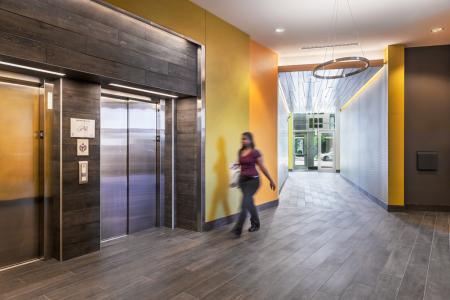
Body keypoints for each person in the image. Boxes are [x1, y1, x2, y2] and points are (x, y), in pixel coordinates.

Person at [231, 132, 276, 237]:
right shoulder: (240, 151)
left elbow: (262, 167)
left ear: (251, 140)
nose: (243, 141)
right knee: (249, 203)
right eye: (242, 139)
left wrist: (271, 180)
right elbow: (241, 164)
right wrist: (235, 165)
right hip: (243, 181)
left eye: (246, 139)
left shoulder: (255, 152)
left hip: (253, 181)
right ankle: (256, 223)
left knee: (244, 204)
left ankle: (238, 229)